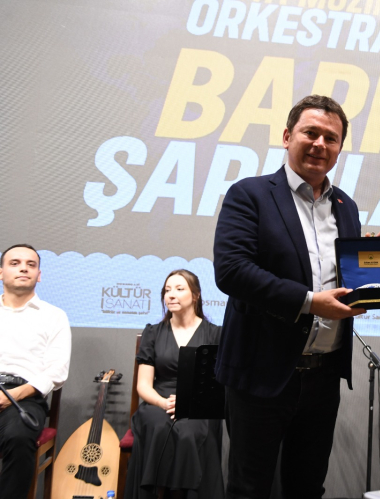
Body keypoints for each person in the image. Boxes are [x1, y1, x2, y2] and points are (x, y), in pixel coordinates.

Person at [213, 95, 364, 499]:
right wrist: (311, 302)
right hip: (261, 373)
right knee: (249, 489)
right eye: (310, 133)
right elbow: (232, 271)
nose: (320, 144)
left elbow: (351, 276)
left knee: (307, 488)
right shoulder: (249, 194)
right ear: (286, 136)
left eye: (331, 138)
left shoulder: (346, 206)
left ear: (339, 148)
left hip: (323, 376)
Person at [125, 269, 223, 499]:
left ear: (195, 295)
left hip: (200, 406)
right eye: (167, 290)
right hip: (158, 402)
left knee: (188, 432)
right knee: (158, 427)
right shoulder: (153, 333)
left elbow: (218, 386)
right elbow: (143, 385)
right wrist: (163, 403)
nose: (171, 295)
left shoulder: (215, 334)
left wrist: (189, 403)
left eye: (179, 289)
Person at [0, 244, 71, 499]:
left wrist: (13, 395)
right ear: (1, 272)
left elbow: (57, 371)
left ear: (39, 275)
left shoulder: (54, 316)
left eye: (31, 265)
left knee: (18, 437)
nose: (23, 269)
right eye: (15, 263)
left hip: (25, 398)